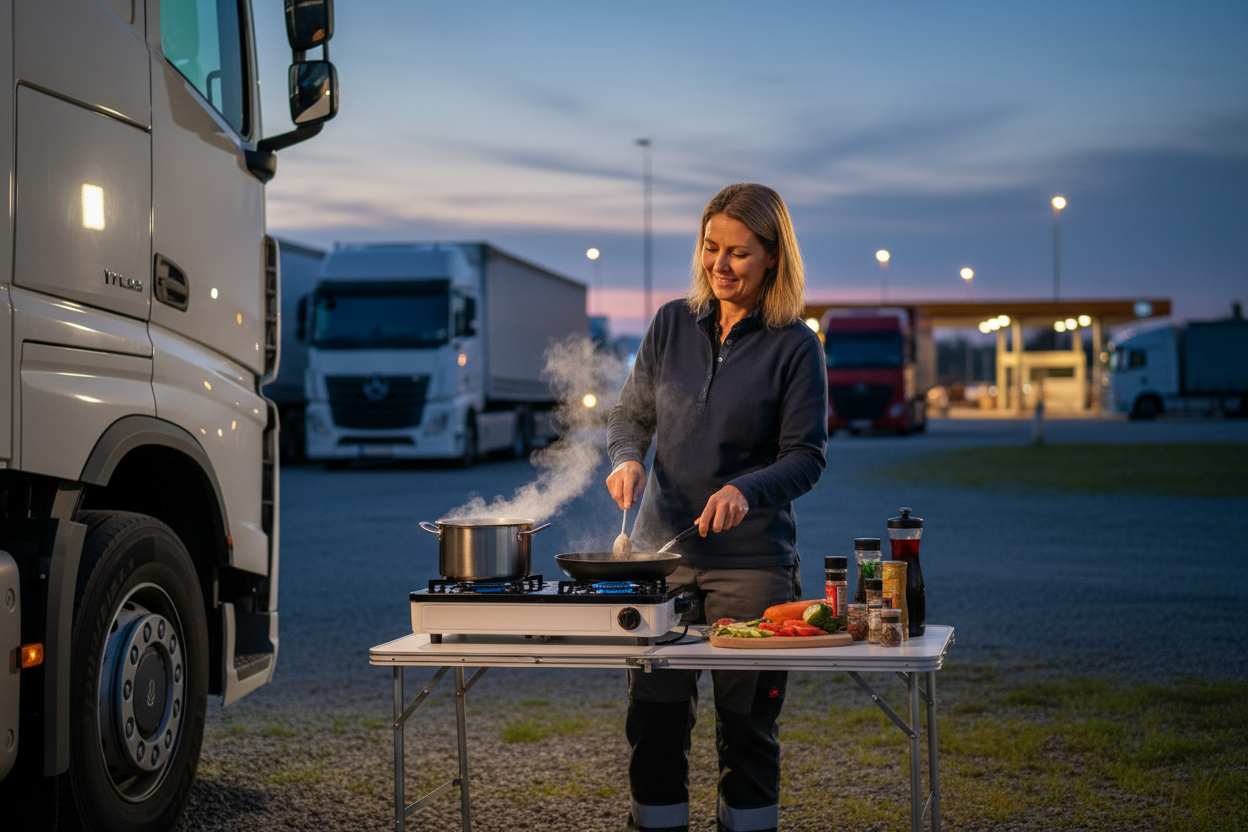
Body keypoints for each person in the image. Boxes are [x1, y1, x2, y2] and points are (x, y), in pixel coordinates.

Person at [606, 183, 828, 832]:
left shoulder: (796, 346)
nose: (720, 265)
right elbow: (630, 416)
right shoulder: (672, 323)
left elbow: (806, 456)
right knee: (654, 721)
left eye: (738, 253)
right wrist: (626, 457)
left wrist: (746, 489)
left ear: (772, 259)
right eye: (711, 248)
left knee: (747, 728)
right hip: (661, 562)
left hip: (751, 567)